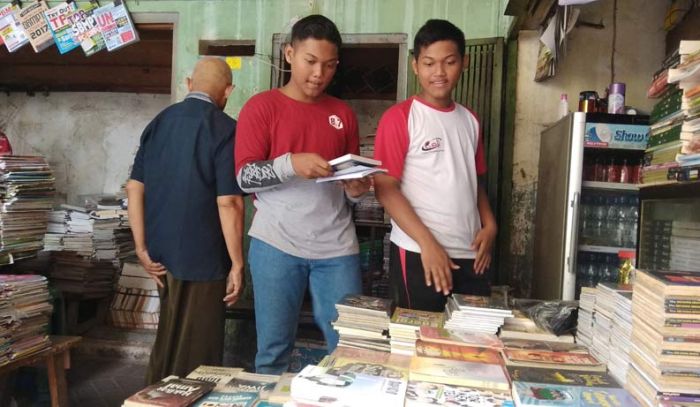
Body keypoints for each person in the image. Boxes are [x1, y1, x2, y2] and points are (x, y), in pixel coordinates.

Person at [234, 15, 370, 374]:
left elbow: (350, 184)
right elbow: (245, 177)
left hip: (337, 248)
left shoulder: (342, 113)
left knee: (349, 347)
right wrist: (291, 164)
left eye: (328, 65)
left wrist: (358, 190)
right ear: (289, 53)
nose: (318, 73)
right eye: (310, 61)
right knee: (273, 350)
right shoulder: (261, 107)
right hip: (275, 244)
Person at [126, 57, 245, 383]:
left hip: (161, 254)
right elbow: (229, 202)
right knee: (199, 352)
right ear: (228, 91)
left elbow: (135, 187)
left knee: (167, 340)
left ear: (189, 84)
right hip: (204, 258)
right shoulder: (225, 128)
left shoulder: (159, 122)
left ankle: (150, 401)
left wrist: (140, 247)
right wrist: (237, 262)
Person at [373, 19, 497, 312]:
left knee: (472, 346)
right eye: (429, 63)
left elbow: (473, 181)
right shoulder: (400, 117)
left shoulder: (470, 120)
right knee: (418, 345)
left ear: (464, 63)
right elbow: (385, 188)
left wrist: (490, 225)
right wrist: (428, 244)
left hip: (471, 253)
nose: (439, 73)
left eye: (449, 62)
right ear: (416, 65)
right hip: (420, 252)